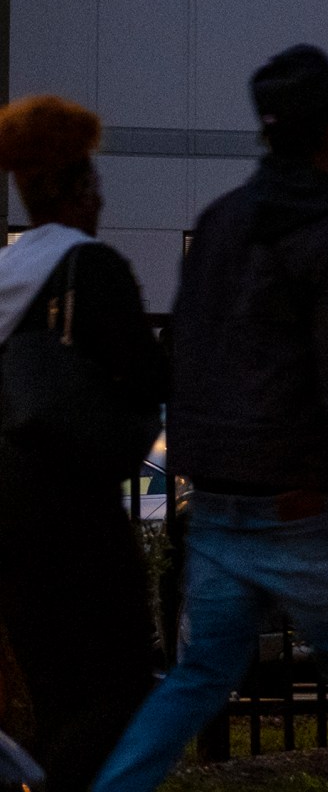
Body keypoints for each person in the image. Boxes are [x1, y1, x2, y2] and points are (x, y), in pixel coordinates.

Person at [95, 48, 328, 792]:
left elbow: (187, 351)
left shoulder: (220, 222)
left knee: (197, 677)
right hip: (307, 504)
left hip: (218, 503)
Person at [0, 96, 169, 792]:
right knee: (124, 684)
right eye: (95, 187)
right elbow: (150, 376)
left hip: (8, 517)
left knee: (57, 688)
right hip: (77, 515)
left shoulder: (7, 273)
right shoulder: (90, 269)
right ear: (73, 191)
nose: (101, 201)